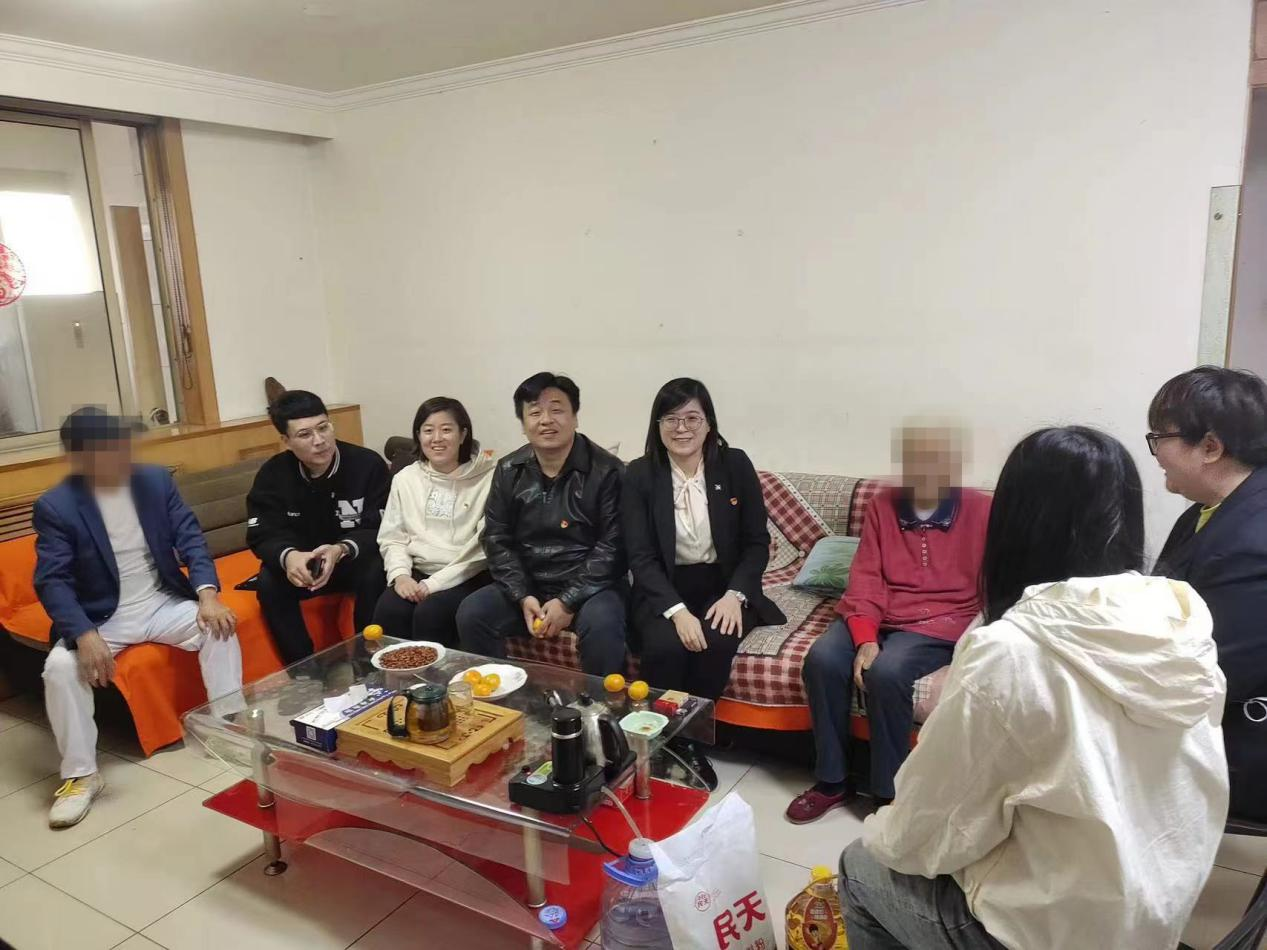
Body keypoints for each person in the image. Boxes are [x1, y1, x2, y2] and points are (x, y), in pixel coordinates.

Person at [839, 426, 1229, 950]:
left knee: (861, 865)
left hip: (1056, 931)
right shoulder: (1179, 615)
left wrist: (881, 832)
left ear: (1014, 521)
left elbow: (930, 829)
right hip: (1157, 910)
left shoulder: (1011, 651)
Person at [35, 407, 241, 828]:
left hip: (160, 602)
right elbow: (52, 581)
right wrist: (85, 634)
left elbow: (191, 538)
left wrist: (208, 595)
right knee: (59, 668)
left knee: (219, 627)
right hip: (102, 617)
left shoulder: (154, 481)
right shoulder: (57, 506)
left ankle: (227, 730)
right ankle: (81, 775)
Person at [787, 425, 989, 824]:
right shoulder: (884, 504)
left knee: (888, 671)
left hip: (942, 617)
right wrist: (865, 636)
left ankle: (888, 793)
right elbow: (866, 576)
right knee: (823, 659)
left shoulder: (982, 509)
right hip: (879, 608)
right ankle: (832, 781)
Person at [623, 378, 785, 790]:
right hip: (664, 587)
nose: (682, 428)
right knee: (664, 646)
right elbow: (640, 556)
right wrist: (677, 612)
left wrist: (736, 595)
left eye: (692, 418)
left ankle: (689, 742)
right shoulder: (640, 474)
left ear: (708, 423)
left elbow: (756, 542)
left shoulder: (735, 465)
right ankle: (664, 740)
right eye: (671, 418)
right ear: (657, 425)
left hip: (722, 585)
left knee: (715, 641)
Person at [1149, 366, 1267, 821]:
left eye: (1160, 437)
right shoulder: (1206, 510)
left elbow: (1214, 671)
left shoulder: (1255, 535)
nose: (1156, 452)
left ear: (1211, 447)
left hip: (1242, 746)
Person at [456, 372, 626, 676]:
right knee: (472, 613)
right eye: (535, 412)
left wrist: (567, 602)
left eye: (557, 410)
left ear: (575, 417)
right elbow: (496, 537)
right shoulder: (509, 469)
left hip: (592, 588)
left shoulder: (607, 471)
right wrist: (522, 595)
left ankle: (596, 703)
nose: (546, 420)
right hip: (529, 583)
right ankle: (500, 696)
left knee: (603, 624)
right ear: (523, 425)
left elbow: (614, 545)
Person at [246, 390, 390, 663]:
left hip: (351, 559)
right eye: (305, 434)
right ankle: (304, 671)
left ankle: (367, 664)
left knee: (377, 569)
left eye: (323, 428)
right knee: (269, 582)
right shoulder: (273, 474)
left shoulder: (367, 465)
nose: (319, 440)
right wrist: (290, 557)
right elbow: (262, 533)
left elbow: (384, 527)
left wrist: (340, 549)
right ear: (286, 441)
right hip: (305, 565)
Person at [372, 397, 496, 644]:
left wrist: (434, 584)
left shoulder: (489, 478)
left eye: (446, 429)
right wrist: (400, 575)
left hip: (467, 574)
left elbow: (482, 549)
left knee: (431, 613)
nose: (437, 438)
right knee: (390, 609)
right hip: (417, 570)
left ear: (463, 435)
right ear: (418, 436)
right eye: (428, 431)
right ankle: (390, 672)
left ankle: (440, 672)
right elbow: (393, 537)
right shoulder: (405, 479)